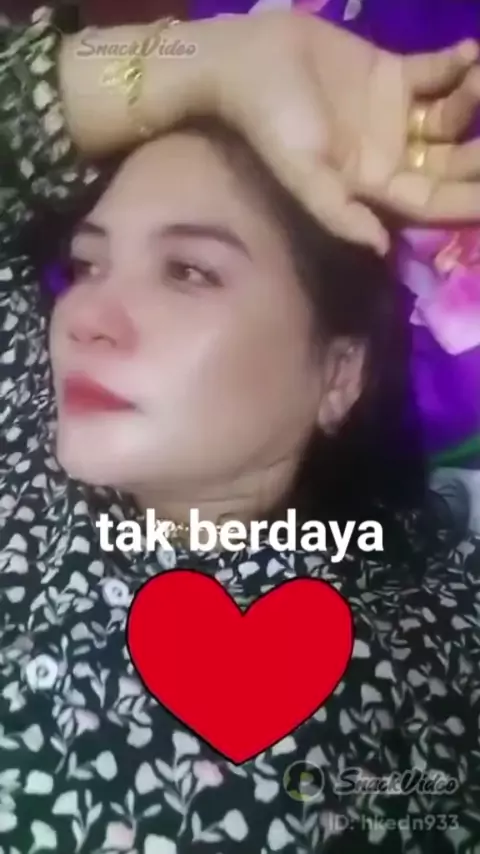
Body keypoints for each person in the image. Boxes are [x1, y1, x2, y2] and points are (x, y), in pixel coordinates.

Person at [1, 6, 480, 854]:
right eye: (86, 264)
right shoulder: (21, 431)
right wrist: (204, 62)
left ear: (339, 372)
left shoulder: (433, 647)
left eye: (188, 271)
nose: (84, 317)